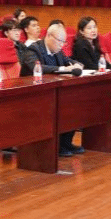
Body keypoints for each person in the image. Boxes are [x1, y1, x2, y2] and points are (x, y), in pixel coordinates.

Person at [34, 25, 84, 156]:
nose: (62, 45)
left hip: (55, 91)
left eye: (64, 42)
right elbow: (37, 67)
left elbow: (68, 61)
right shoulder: (34, 49)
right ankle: (56, 145)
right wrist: (63, 69)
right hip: (36, 94)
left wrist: (77, 64)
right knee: (64, 106)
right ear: (49, 36)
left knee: (75, 103)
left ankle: (65, 143)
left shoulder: (57, 51)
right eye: (59, 41)